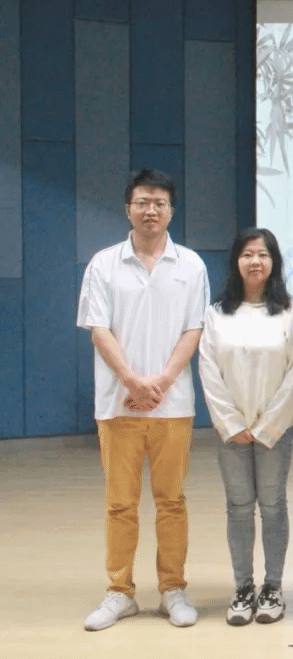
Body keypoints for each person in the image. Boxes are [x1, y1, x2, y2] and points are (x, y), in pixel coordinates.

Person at [77, 169, 210, 631]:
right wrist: (132, 381)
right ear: (128, 208)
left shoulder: (191, 265)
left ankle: (173, 589)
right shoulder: (103, 264)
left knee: (172, 501)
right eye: (142, 202)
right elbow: (98, 329)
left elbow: (194, 328)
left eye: (159, 203)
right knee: (120, 504)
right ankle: (120, 592)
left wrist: (163, 381)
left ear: (171, 211)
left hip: (173, 406)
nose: (151, 210)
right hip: (118, 404)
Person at [198, 227, 293, 626]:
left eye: (263, 254)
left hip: (276, 430)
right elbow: (208, 370)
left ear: (274, 262)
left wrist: (269, 426)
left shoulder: (292, 312)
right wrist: (231, 423)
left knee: (273, 506)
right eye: (247, 254)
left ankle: (273, 587)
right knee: (239, 508)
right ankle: (243, 588)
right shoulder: (216, 313)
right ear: (236, 261)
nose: (255, 261)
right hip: (231, 430)